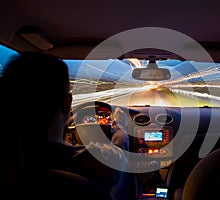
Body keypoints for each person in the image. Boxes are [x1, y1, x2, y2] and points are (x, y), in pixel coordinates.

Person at [0, 52, 128, 199]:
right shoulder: (88, 164)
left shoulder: (9, 163)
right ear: (67, 103)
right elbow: (118, 156)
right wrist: (121, 126)